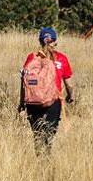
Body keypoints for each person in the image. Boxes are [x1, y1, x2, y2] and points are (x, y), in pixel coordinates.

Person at [19, 27, 74, 155]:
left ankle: (39, 157)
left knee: (37, 135)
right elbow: (69, 84)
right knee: (49, 134)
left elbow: (24, 82)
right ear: (54, 42)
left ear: (40, 41)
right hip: (53, 102)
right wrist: (70, 96)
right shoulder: (61, 59)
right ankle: (46, 161)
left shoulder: (31, 58)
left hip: (32, 102)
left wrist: (22, 102)